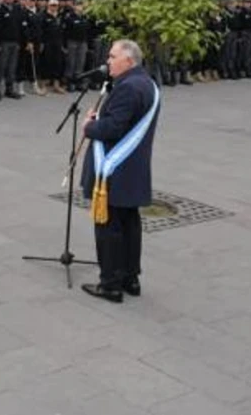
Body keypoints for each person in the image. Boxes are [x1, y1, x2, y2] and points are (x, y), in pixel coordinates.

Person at [80, 39, 161, 303]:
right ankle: (130, 277)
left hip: (115, 171)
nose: (108, 61)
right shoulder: (147, 83)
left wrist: (89, 126)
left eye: (113, 56)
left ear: (129, 60)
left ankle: (110, 283)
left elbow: (113, 128)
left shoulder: (127, 88)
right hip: (133, 170)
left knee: (110, 226)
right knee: (129, 224)